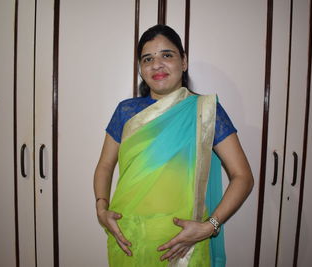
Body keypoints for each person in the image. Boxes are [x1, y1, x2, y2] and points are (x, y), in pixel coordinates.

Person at [93, 24, 253, 267]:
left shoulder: (205, 112)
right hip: (128, 239)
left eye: (167, 55)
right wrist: (101, 209)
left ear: (184, 62)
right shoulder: (126, 111)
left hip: (185, 245)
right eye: (148, 59)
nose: (156, 64)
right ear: (141, 68)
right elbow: (105, 165)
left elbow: (243, 176)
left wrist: (209, 227)